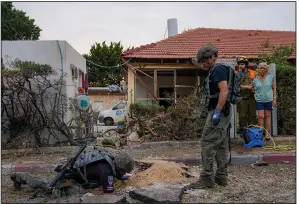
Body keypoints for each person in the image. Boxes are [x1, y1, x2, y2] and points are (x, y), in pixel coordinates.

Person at [190, 45, 232, 189]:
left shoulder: (218, 70)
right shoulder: (217, 69)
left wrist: (217, 112)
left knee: (207, 142)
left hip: (218, 112)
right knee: (221, 144)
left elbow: (224, 91)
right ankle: (221, 177)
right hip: (221, 112)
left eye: (203, 61)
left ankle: (207, 178)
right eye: (200, 62)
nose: (202, 65)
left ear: (211, 57)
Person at [10, 148, 134, 197]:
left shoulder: (109, 159)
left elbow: (116, 175)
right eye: (124, 170)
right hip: (70, 178)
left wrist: (121, 176)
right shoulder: (107, 171)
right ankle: (22, 176)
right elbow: (109, 192)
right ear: (120, 166)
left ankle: (21, 176)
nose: (123, 172)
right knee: (50, 187)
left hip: (75, 172)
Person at [252, 62, 276, 140]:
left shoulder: (270, 77)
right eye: (259, 68)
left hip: (269, 99)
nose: (259, 69)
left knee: (267, 116)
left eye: (261, 68)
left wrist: (274, 98)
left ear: (265, 69)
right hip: (259, 100)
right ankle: (260, 133)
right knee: (260, 116)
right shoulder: (255, 79)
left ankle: (267, 134)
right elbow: (252, 88)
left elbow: (274, 88)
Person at [236, 56, 257, 134]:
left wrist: (253, 87)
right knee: (242, 116)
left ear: (246, 64)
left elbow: (256, 84)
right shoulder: (237, 74)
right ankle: (243, 133)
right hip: (242, 98)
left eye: (242, 64)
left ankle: (252, 132)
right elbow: (235, 86)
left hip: (251, 98)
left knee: (252, 115)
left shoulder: (252, 73)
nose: (240, 66)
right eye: (239, 64)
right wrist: (246, 87)